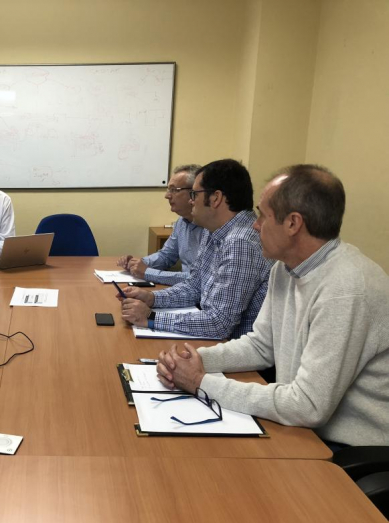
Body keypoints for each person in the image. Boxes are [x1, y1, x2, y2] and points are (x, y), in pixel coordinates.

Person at [156, 165, 389, 447]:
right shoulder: (286, 268)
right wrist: (193, 359)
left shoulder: (346, 289)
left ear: (293, 224)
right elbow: (261, 346)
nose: (255, 225)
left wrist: (200, 382)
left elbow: (307, 405)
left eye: (263, 216)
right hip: (300, 428)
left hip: (344, 447)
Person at [120, 159, 272, 339]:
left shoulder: (240, 242)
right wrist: (152, 298)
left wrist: (151, 317)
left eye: (194, 194)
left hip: (232, 346)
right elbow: (194, 286)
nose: (191, 201)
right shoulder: (214, 230)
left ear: (215, 198)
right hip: (213, 337)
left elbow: (220, 323)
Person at [117, 164, 205, 285]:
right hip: (185, 290)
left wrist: (148, 272)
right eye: (168, 190)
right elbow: (166, 256)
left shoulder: (211, 227)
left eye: (174, 190)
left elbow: (199, 279)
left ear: (194, 192)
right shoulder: (181, 222)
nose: (167, 196)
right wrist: (137, 263)